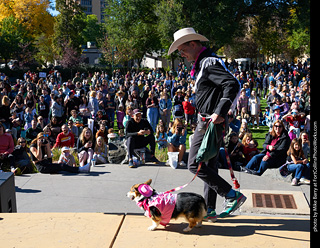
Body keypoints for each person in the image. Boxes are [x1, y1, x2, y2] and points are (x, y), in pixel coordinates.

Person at [168, 27, 245, 221]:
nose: (182, 54)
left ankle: (230, 194)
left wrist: (219, 111)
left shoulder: (208, 63)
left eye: (182, 49)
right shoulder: (204, 63)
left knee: (194, 164)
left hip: (210, 121)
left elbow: (232, 84)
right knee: (208, 163)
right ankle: (209, 208)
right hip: (208, 121)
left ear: (193, 44)